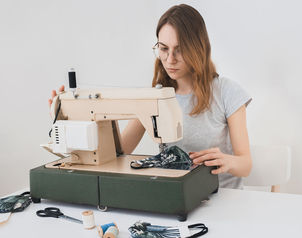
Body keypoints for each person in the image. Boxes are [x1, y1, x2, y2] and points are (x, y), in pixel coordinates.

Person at [49, 4, 252, 189]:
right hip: (174, 194)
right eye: (163, 49)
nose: (169, 59)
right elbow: (119, 152)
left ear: (197, 48)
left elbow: (246, 165)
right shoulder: (155, 98)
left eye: (179, 50)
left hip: (224, 198)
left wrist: (227, 160)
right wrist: (69, 122)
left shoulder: (227, 92)